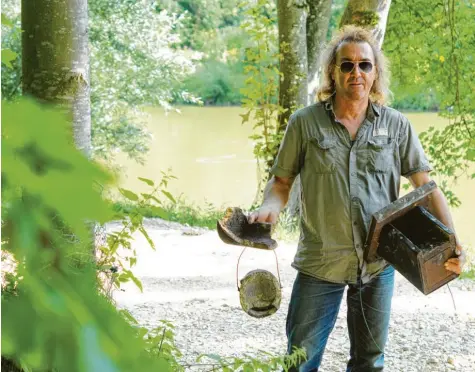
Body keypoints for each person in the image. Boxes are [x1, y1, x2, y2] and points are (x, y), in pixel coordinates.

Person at [247, 25, 465, 372]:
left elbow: (427, 187)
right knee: (299, 362)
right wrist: (270, 208)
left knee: (370, 363)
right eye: (346, 65)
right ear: (333, 72)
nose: (356, 72)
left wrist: (451, 244)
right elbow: (281, 181)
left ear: (375, 72)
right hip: (320, 262)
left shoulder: (396, 126)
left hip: (379, 264)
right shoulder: (304, 124)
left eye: (364, 65)